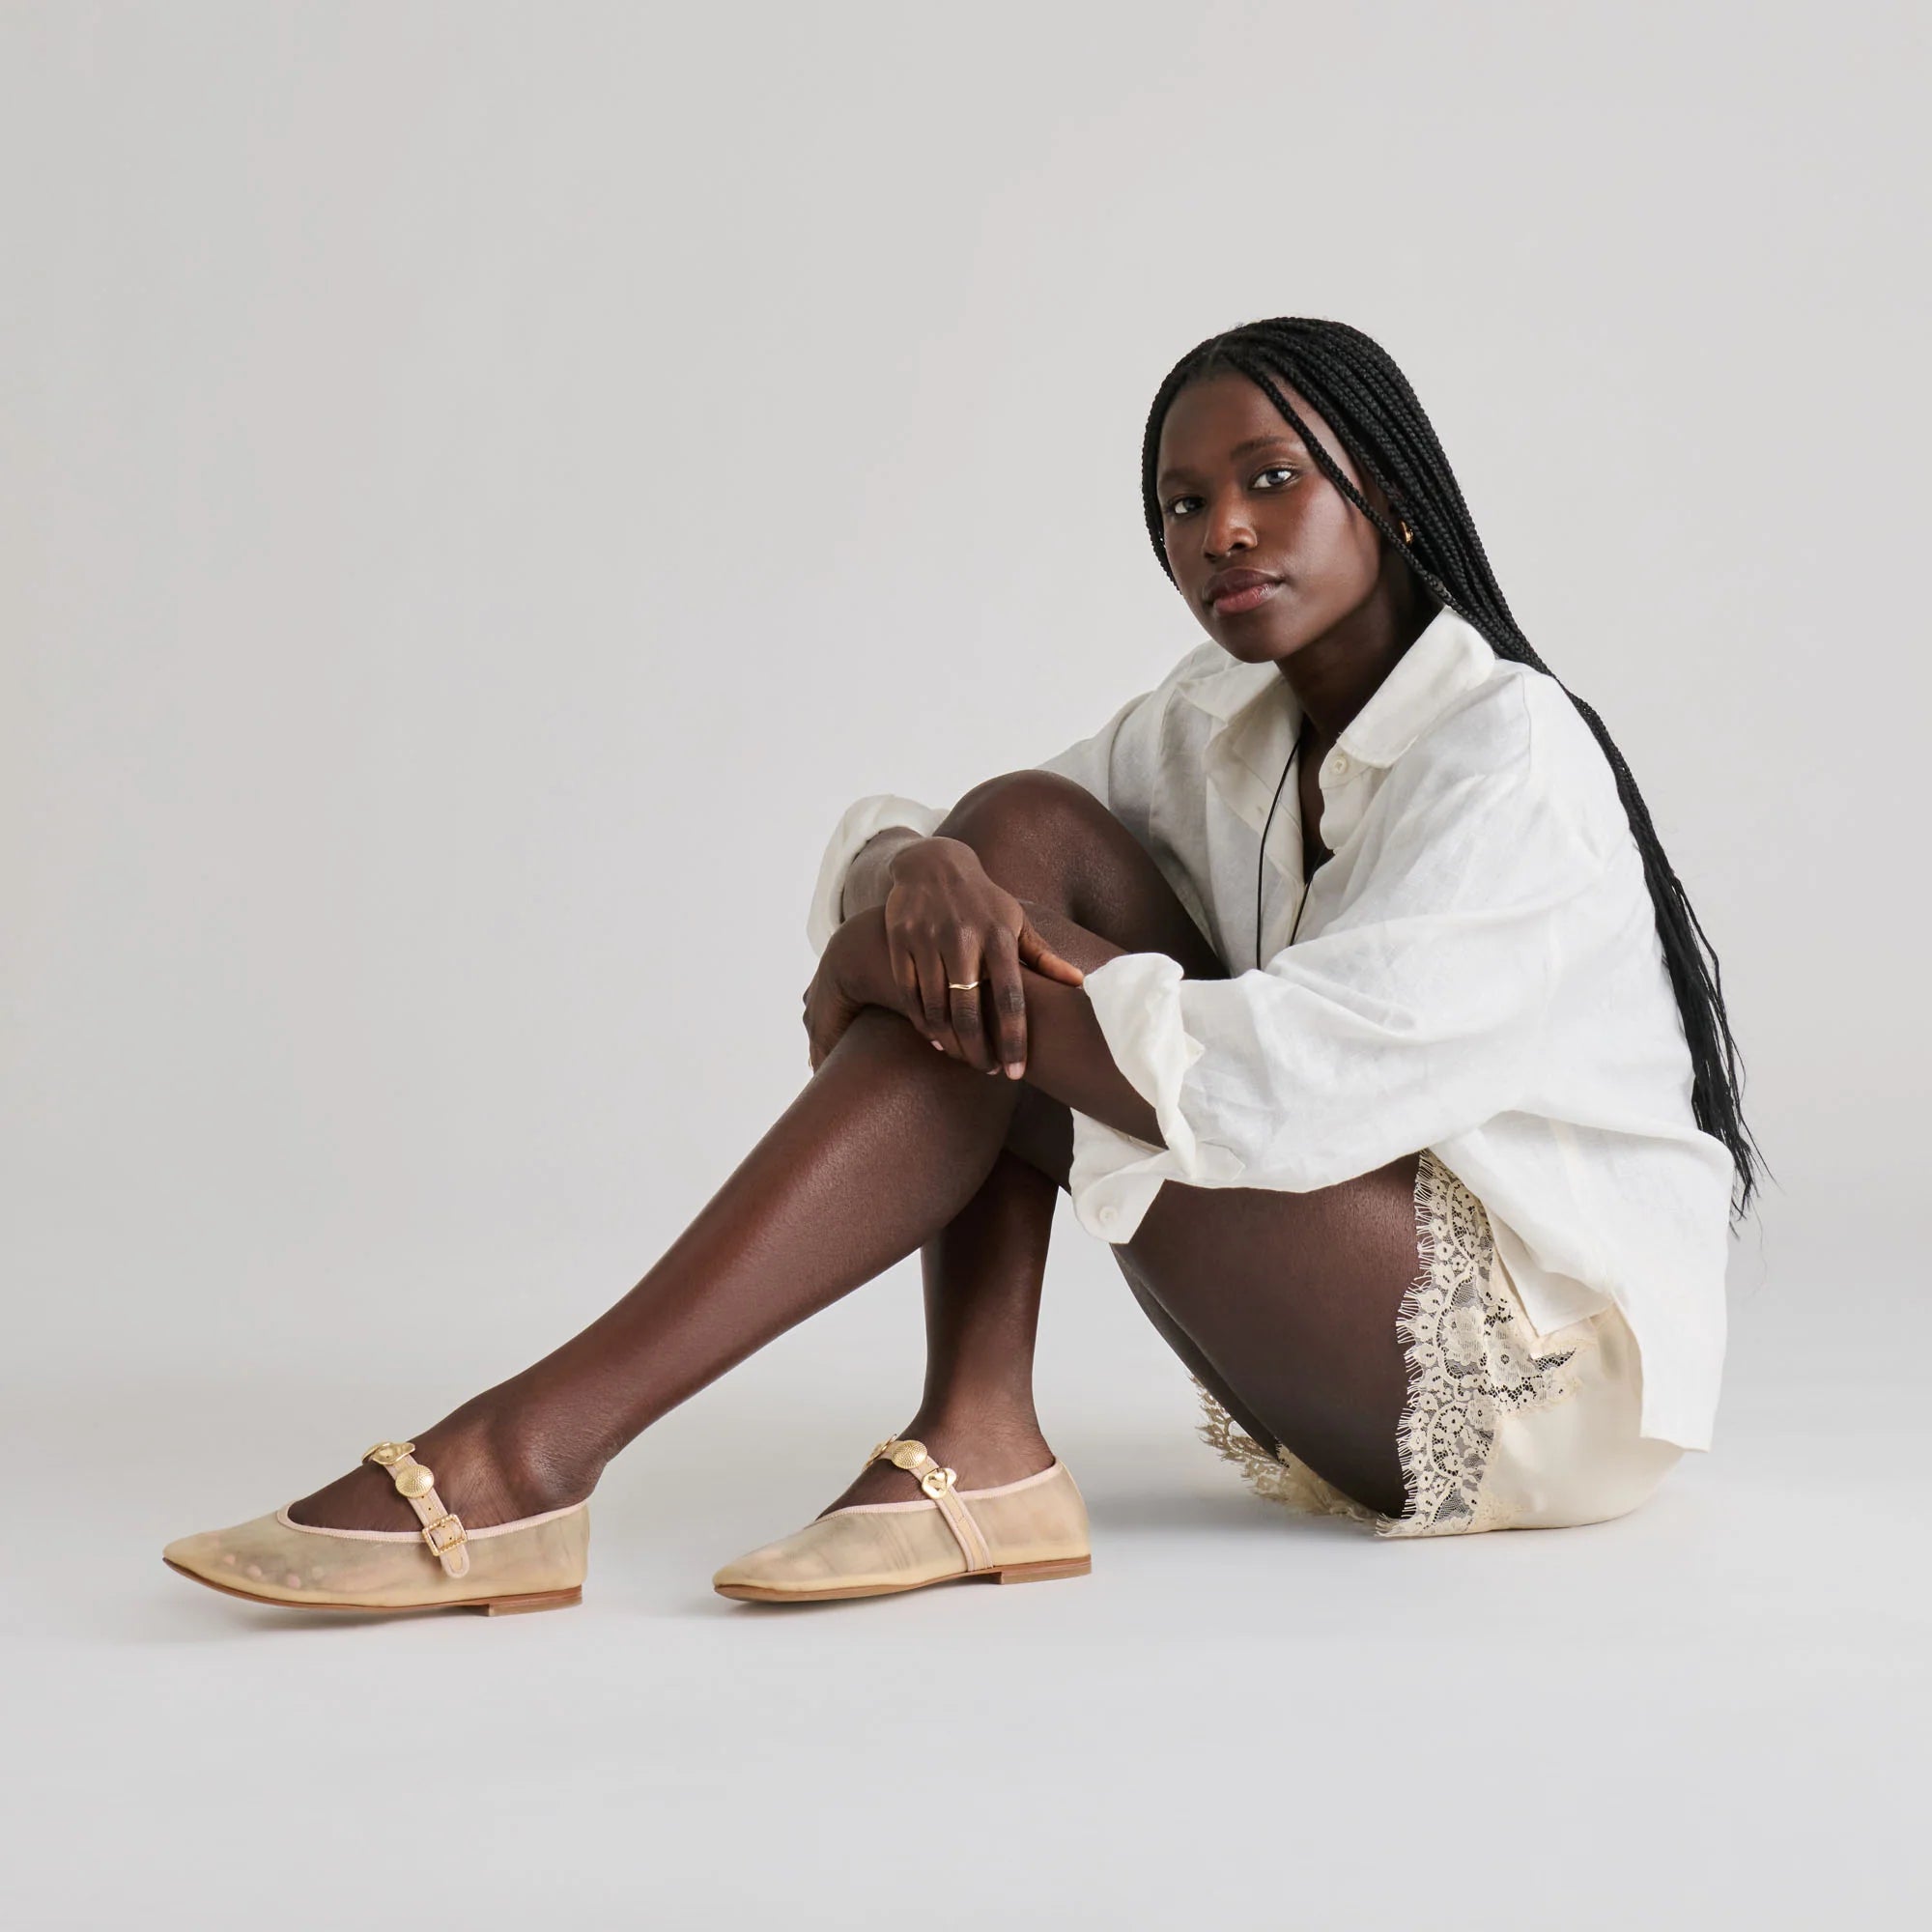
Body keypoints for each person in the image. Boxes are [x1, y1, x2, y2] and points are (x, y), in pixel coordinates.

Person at [160, 316, 1765, 1615]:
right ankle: (973, 1438)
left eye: (1272, 481)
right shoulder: (1219, 729)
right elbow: (974, 846)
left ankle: (531, 1452)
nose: (1223, 533)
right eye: (1183, 507)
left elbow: (1284, 1095)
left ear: (1391, 496)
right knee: (1011, 830)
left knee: (997, 957)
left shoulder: (1510, 753)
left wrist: (965, 957)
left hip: (1532, 1383)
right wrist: (915, 881)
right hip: (1341, 1293)